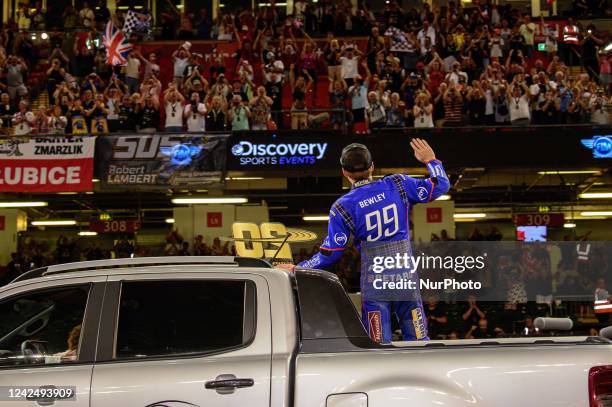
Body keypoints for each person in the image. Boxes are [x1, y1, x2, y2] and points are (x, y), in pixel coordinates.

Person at [280, 140, 450, 343]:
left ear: (345, 173)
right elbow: (441, 185)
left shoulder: (342, 207)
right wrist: (431, 160)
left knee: (377, 345)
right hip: (405, 277)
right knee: (418, 340)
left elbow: (330, 255)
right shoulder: (398, 184)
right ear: (372, 167)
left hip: (375, 282)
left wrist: (297, 268)